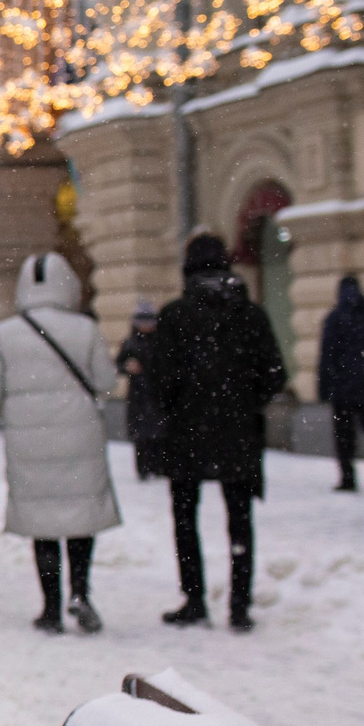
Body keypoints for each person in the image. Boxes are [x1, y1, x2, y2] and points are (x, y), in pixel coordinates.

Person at [147, 232, 287, 630]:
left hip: (186, 433)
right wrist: (245, 401)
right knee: (240, 520)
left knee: (185, 518)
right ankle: (239, 607)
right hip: (239, 432)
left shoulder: (175, 315)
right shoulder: (251, 315)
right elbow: (275, 374)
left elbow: (159, 380)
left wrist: (179, 404)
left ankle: (194, 599)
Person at [0, 255, 121, 634]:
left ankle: (51, 608)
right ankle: (81, 593)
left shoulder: (6, 333)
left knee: (43, 524)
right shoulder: (85, 328)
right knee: (80, 520)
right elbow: (107, 381)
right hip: (79, 435)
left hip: (30, 440)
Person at [320, 275, 364, 492]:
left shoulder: (334, 318)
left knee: (343, 438)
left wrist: (324, 387)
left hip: (342, 390)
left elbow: (327, 356)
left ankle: (347, 478)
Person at [116, 301, 163, 481]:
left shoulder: (161, 341)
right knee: (142, 438)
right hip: (138, 396)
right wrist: (127, 367)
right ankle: (144, 469)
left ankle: (158, 467)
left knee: (158, 436)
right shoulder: (130, 343)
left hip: (156, 394)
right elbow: (119, 364)